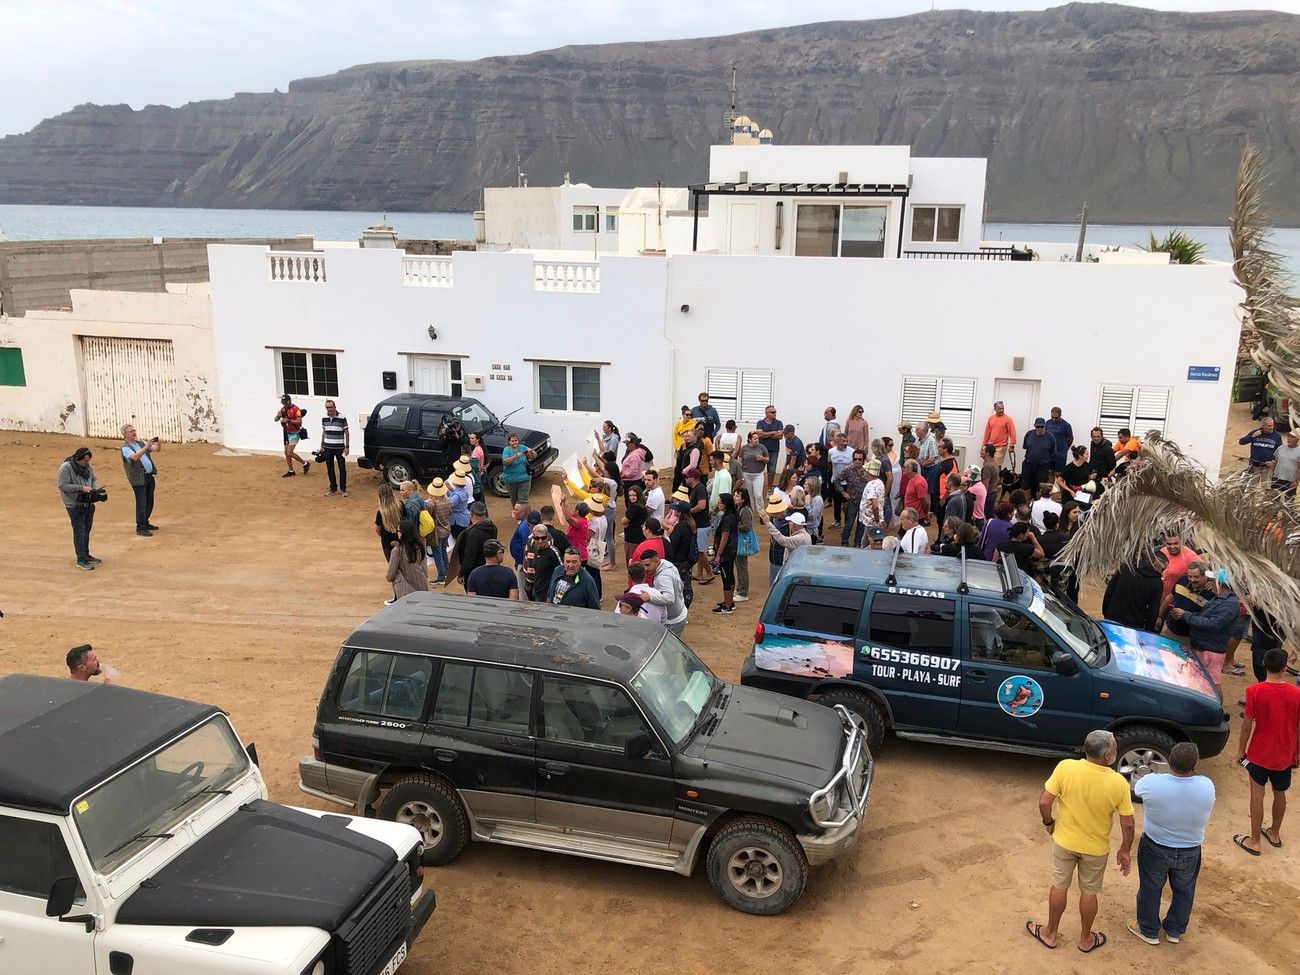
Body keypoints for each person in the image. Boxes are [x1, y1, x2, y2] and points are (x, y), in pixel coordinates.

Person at [1026, 730, 1134, 953]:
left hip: (1064, 841)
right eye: (1113, 747)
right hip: (1095, 849)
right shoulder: (1118, 783)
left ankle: (1050, 933)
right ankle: (1085, 939)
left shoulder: (1066, 767)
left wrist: (1049, 823)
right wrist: (1125, 849)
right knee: (1089, 891)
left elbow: (1045, 801)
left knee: (1059, 885)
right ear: (1106, 755)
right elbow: (1128, 824)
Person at [1128, 742, 1216, 946]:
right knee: (1184, 890)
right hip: (1190, 850)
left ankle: (1148, 930)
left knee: (1150, 887)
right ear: (1195, 764)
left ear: (1169, 760)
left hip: (1155, 846)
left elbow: (1137, 787)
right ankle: (1174, 931)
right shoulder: (1206, 785)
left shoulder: (1152, 782)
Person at [1233, 647, 1300, 856]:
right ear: (1284, 667)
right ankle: (1274, 833)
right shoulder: (1296, 693)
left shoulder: (1254, 691)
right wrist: (1296, 751)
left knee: (1257, 795)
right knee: (1280, 793)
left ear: (1264, 664)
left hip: (1259, 753)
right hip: (1285, 753)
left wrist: (1240, 751)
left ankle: (1254, 841)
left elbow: (1246, 725)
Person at [1168, 568, 1240, 686]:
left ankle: (1217, 705)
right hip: (1205, 648)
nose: (1209, 582)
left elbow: (1213, 624)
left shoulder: (1229, 603)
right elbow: (1204, 616)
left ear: (1219, 583)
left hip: (1212, 651)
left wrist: (1186, 615)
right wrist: (1184, 615)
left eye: (1212, 580)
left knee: (1212, 685)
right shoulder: (1219, 599)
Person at [57, 446, 103, 570]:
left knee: (86, 530)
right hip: (74, 505)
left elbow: (93, 479)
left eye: (88, 461)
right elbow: (62, 485)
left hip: (87, 503)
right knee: (79, 531)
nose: (86, 463)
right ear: (78, 459)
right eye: (84, 461)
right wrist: (81, 488)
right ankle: (81, 559)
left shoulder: (87, 467)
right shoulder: (66, 468)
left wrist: (94, 490)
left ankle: (86, 555)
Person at [118, 422, 162, 537]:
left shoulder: (140, 443)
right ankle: (140, 527)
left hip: (148, 476)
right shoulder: (125, 448)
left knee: (149, 501)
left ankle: (145, 522)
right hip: (138, 479)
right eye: (131, 431)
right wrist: (146, 447)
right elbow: (135, 457)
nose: (134, 433)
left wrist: (158, 443)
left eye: (134, 430)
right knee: (141, 503)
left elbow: (157, 450)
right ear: (125, 434)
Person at [1101, 557, 1164, 631]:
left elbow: (1109, 591)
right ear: (1156, 564)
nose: (1162, 573)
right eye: (1163, 570)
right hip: (1134, 625)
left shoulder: (1125, 568)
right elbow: (1153, 610)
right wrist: (1148, 631)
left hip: (1112, 617)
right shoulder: (1157, 583)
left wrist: (1105, 612)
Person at [639, 548, 688, 636]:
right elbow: (681, 585)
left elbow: (669, 598)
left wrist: (650, 597)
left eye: (648, 565)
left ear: (657, 561)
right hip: (679, 612)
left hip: (672, 620)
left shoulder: (663, 577)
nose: (645, 569)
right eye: (644, 566)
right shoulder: (667, 565)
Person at [1158, 561, 1212, 638]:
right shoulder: (1182, 580)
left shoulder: (1211, 594)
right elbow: (1169, 598)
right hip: (1167, 628)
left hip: (1187, 636)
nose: (1192, 580)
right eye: (1189, 576)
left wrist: (1185, 615)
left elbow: (1206, 620)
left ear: (1205, 576)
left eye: (1196, 577)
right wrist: (1159, 616)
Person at [454, 501, 498, 589]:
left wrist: (462, 573)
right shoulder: (492, 527)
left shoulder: (473, 533)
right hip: (489, 567)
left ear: (471, 514)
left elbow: (470, 557)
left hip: (474, 572)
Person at [760, 508, 809, 584]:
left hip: (793, 570)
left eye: (790, 522)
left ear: (794, 525)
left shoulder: (799, 538)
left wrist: (768, 523)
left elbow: (782, 540)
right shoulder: (806, 535)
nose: (788, 523)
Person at [386, 519, 430, 602]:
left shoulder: (397, 551)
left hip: (404, 592)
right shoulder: (419, 547)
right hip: (421, 587)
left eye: (398, 530)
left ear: (403, 533)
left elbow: (390, 576)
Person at [683, 467, 713, 585]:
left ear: (693, 478)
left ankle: (709, 573)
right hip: (700, 524)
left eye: (687, 477)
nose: (686, 479)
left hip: (702, 524)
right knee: (699, 550)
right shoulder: (696, 488)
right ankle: (700, 573)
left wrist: (689, 510)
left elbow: (701, 505)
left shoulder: (699, 489)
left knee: (701, 551)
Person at [711, 493, 739, 614]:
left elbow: (724, 537)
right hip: (732, 550)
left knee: (726, 577)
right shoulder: (732, 515)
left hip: (726, 551)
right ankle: (729, 602)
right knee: (730, 575)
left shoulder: (727, 518)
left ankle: (727, 606)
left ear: (726, 504)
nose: (718, 503)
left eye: (720, 502)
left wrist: (718, 555)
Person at [274, 394, 310, 477]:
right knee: (286, 453)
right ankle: (291, 470)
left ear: (289, 401)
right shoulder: (283, 409)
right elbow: (275, 419)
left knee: (289, 452)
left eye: (285, 403)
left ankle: (305, 463)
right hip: (287, 432)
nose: (284, 405)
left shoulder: (296, 409)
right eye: (283, 403)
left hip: (294, 433)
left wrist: (289, 420)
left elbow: (299, 422)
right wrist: (278, 416)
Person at [522, 524, 561, 602]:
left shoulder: (553, 552)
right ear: (533, 538)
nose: (540, 541)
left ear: (547, 537)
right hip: (537, 592)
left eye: (543, 538)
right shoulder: (534, 551)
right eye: (537, 538)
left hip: (548, 595)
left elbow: (561, 572)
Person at [319, 399, 349, 497]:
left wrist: (347, 446)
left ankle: (343, 489)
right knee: (330, 468)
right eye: (327, 407)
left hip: (340, 447)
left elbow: (347, 433)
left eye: (331, 407)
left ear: (335, 407)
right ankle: (333, 488)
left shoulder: (342, 417)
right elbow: (324, 433)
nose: (329, 409)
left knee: (342, 468)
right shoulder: (324, 417)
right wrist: (321, 446)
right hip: (328, 447)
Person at [424, 477, 451, 583]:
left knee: (437, 554)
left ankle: (441, 576)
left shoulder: (431, 503)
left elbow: (428, 516)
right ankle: (447, 570)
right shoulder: (448, 500)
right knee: (443, 551)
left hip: (437, 532)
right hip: (446, 528)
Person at [1158, 533, 1199, 603]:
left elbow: (1205, 571)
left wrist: (1211, 580)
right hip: (1158, 597)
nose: (1172, 546)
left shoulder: (1191, 556)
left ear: (1181, 541)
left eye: (1175, 543)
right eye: (1169, 544)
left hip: (1174, 601)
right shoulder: (1163, 551)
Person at [1021, 418, 1056, 499]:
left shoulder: (1051, 438)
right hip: (1028, 465)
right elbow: (1026, 447)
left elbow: (1053, 454)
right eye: (1038, 427)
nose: (1039, 429)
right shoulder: (1029, 434)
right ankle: (1027, 504)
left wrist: (1051, 468)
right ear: (1035, 426)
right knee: (1025, 486)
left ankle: (1037, 504)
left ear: (1045, 427)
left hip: (1042, 467)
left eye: (1042, 427)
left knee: (1040, 487)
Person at [826, 432, 854, 528]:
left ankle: (847, 524)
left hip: (848, 482)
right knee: (836, 503)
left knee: (847, 505)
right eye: (843, 441)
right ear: (837, 441)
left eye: (846, 441)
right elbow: (830, 464)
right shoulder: (831, 452)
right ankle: (837, 520)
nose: (845, 443)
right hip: (835, 481)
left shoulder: (852, 451)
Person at [855, 460, 886, 544]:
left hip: (871, 520)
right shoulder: (880, 482)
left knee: (866, 541)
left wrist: (876, 520)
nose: (864, 472)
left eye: (865, 470)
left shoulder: (871, 485)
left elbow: (875, 505)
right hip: (874, 518)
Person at [500, 433, 535, 504]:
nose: (514, 442)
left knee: (523, 500)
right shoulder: (507, 450)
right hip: (511, 480)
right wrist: (516, 456)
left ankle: (524, 514)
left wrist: (532, 453)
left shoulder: (522, 447)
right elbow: (505, 462)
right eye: (512, 441)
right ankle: (516, 513)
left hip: (525, 479)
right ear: (509, 442)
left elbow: (533, 456)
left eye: (516, 440)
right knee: (514, 500)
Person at [756, 405, 784, 490]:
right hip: (761, 450)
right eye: (772, 412)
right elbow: (759, 434)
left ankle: (769, 488)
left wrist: (765, 435)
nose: (774, 413)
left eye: (775, 412)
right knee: (759, 469)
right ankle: (758, 487)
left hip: (773, 450)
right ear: (766, 413)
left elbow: (780, 436)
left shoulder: (779, 423)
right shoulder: (760, 422)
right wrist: (773, 432)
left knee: (771, 470)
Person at [738, 430, 769, 508]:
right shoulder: (744, 448)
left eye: (758, 438)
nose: (757, 440)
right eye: (755, 439)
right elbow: (740, 460)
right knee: (749, 495)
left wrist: (762, 458)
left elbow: (768, 459)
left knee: (758, 495)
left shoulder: (762, 447)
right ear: (749, 439)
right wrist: (741, 473)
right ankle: (750, 511)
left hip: (758, 474)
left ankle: (761, 513)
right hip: (746, 474)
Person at [982, 401, 1017, 466]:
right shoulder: (991, 418)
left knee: (995, 465)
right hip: (990, 446)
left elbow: (1012, 433)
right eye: (999, 409)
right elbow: (987, 432)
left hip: (1001, 446)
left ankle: (996, 476)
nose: (1002, 410)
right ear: (995, 409)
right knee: (987, 464)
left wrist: (1012, 445)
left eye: (1003, 408)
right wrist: (984, 444)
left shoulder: (1008, 419)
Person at [375, 483, 403, 560]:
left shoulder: (380, 513)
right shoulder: (400, 506)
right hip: (400, 539)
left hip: (387, 542)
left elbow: (378, 530)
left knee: (392, 566)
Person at [621, 484, 648, 563]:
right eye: (630, 495)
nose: (632, 497)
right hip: (639, 536)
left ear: (638, 495)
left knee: (631, 558)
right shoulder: (642, 506)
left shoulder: (635, 508)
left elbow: (624, 521)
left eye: (634, 495)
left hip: (632, 538)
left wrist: (624, 520)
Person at [1270, 428, 1300, 495]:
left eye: (1292, 437)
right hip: (1277, 479)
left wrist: (1296, 481)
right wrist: (1273, 475)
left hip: (1290, 481)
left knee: (1287, 501)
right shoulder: (1281, 448)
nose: (1289, 438)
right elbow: (1275, 462)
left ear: (1297, 439)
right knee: (1273, 500)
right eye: (1289, 436)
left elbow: (1299, 468)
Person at [1045, 407, 1074, 473]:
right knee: (1049, 472)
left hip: (1061, 453)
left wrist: (1066, 447)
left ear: (1060, 415)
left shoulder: (1066, 425)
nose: (1054, 419)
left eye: (1056, 418)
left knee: (1059, 473)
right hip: (1049, 453)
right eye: (1052, 417)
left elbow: (1071, 438)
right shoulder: (1048, 423)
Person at [902, 458, 930, 526]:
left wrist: (924, 515)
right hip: (910, 515)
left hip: (916, 517)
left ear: (910, 469)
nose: (903, 469)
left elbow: (925, 502)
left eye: (904, 467)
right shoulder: (912, 480)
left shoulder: (918, 482)